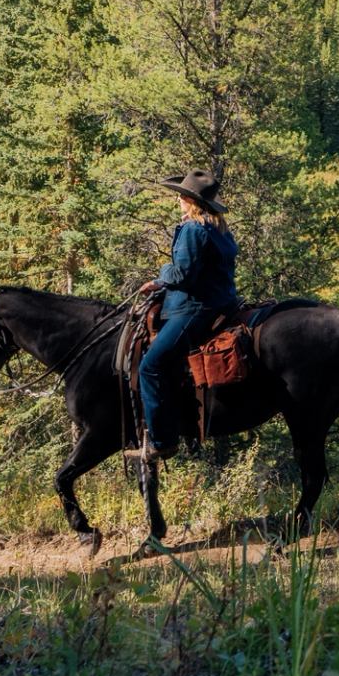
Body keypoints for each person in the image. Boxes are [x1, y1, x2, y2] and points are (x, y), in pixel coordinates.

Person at [126, 170, 240, 461]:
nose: (178, 200)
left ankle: (162, 441)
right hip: (222, 302)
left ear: (191, 201)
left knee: (150, 366)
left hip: (195, 308)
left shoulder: (193, 230)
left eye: (181, 196)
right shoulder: (219, 228)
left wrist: (162, 275)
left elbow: (184, 275)